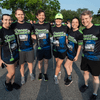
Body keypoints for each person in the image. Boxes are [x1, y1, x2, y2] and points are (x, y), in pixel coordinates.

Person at [80, 10, 100, 100]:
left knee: (95, 76)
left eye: (86, 18)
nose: (84, 21)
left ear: (91, 18)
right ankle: (86, 84)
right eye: (83, 19)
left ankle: (95, 93)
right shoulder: (82, 31)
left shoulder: (98, 28)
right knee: (85, 72)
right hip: (85, 57)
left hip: (95, 58)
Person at [11, 8, 34, 85]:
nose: (20, 16)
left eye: (22, 14)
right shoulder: (13, 25)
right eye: (19, 14)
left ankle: (31, 73)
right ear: (15, 15)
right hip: (19, 49)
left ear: (24, 15)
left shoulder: (29, 24)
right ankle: (22, 76)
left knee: (30, 62)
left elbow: (32, 34)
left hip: (29, 48)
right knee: (22, 64)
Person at [0, 14, 20, 91]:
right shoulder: (1, 31)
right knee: (11, 72)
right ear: (2, 20)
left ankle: (13, 82)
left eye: (9, 20)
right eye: (5, 19)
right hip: (7, 55)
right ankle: (7, 83)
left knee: (14, 70)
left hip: (15, 54)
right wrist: (0, 59)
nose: (8, 21)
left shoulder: (12, 29)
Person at [32, 9, 51, 81]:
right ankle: (40, 72)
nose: (41, 17)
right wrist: (32, 36)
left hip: (47, 47)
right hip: (39, 47)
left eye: (43, 15)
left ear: (45, 17)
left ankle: (45, 73)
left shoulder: (48, 25)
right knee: (40, 61)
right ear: (37, 16)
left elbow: (53, 32)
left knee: (46, 61)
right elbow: (31, 33)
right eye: (40, 15)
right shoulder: (34, 25)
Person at [64, 17, 83, 86]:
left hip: (73, 53)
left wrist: (77, 56)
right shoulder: (70, 31)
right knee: (70, 65)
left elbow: (80, 46)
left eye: (76, 22)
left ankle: (70, 79)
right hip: (68, 51)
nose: (74, 24)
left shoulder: (80, 33)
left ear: (78, 24)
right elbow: (67, 39)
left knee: (66, 65)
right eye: (73, 22)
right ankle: (69, 76)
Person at [52, 13, 69, 84]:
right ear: (55, 20)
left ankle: (55, 76)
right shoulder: (52, 28)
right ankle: (59, 71)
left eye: (59, 19)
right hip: (55, 49)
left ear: (62, 20)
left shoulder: (66, 28)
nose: (58, 20)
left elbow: (67, 38)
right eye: (57, 19)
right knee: (57, 63)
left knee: (58, 64)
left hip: (63, 49)